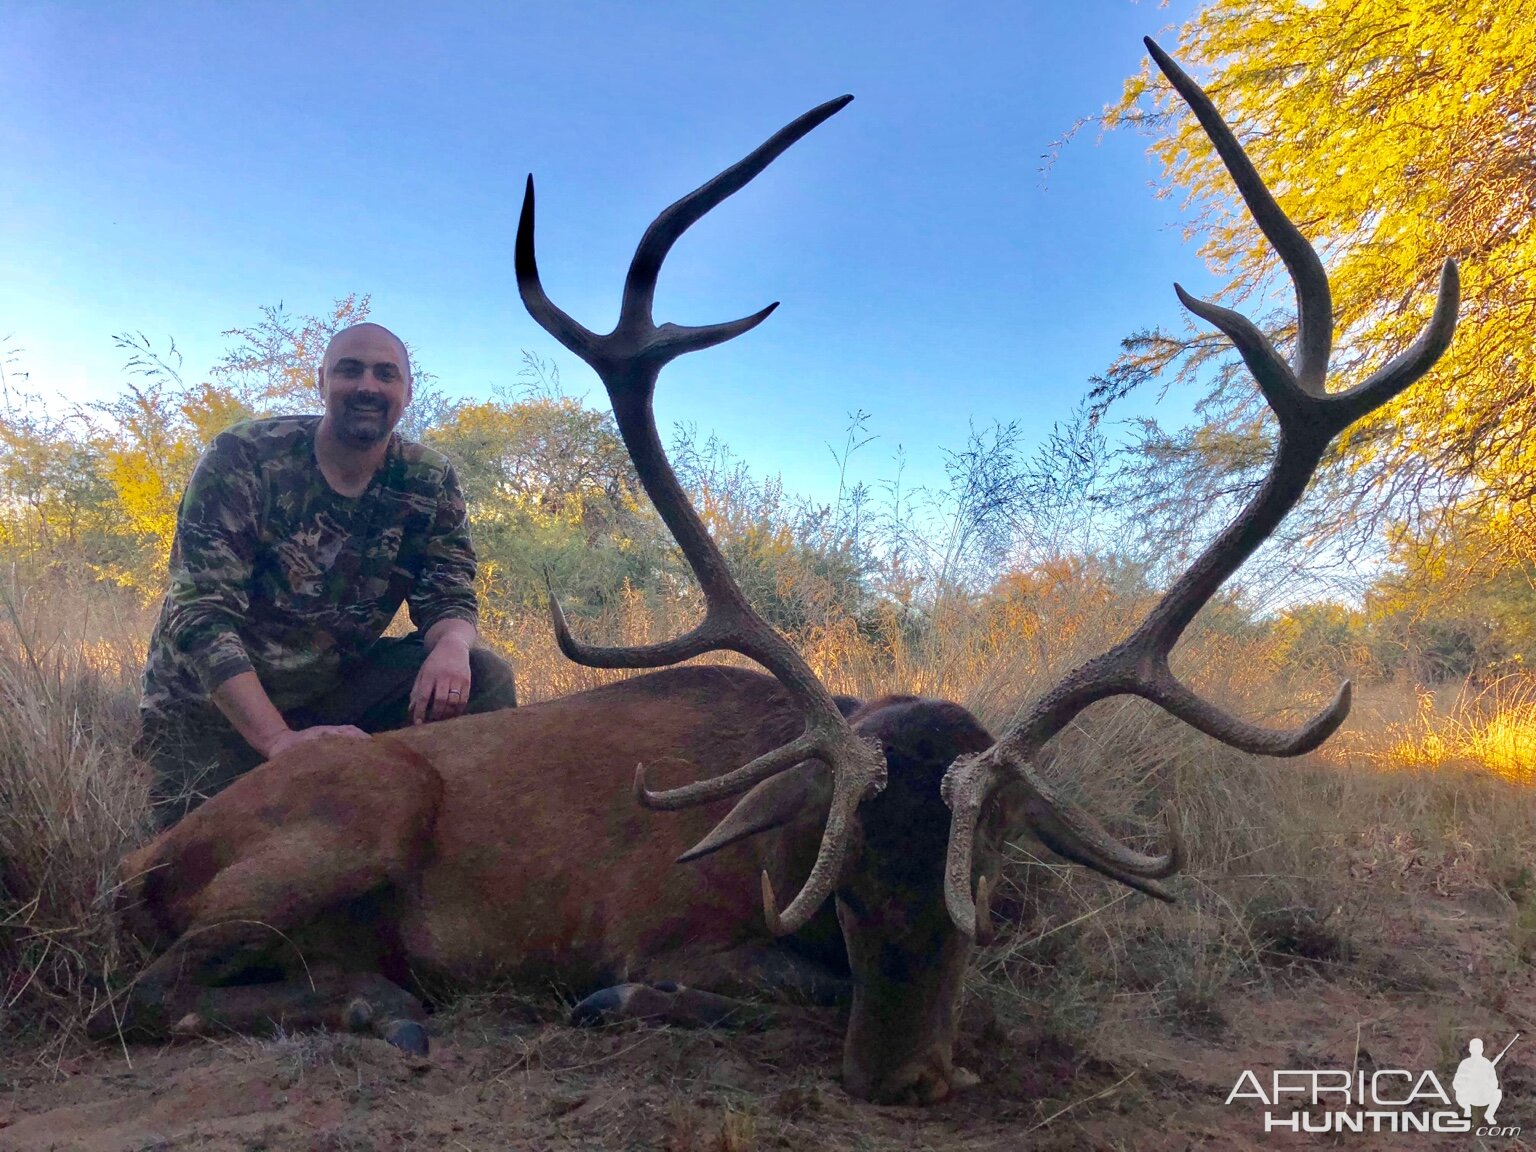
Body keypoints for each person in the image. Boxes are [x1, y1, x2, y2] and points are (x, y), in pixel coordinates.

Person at [138, 322, 518, 828]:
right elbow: (200, 615)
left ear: (406, 392)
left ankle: (462, 841)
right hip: (212, 709)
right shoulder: (244, 457)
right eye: (350, 370)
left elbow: (450, 592)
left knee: (484, 676)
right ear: (321, 382)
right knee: (192, 862)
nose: (367, 386)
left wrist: (451, 646)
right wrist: (278, 742)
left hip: (330, 692)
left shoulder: (429, 478)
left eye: (386, 374)